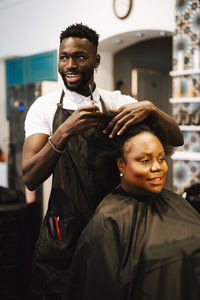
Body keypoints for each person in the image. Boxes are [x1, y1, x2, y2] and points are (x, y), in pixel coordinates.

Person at [22, 23, 184, 300]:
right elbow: (30, 177)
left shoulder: (116, 101)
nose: (70, 64)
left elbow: (176, 138)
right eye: (64, 57)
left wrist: (151, 109)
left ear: (96, 60)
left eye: (80, 57)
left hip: (115, 225)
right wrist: (64, 132)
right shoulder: (45, 108)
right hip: (65, 231)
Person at [63, 113, 200, 300]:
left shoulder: (178, 204)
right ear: (121, 164)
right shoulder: (109, 222)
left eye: (161, 159)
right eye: (145, 160)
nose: (157, 167)